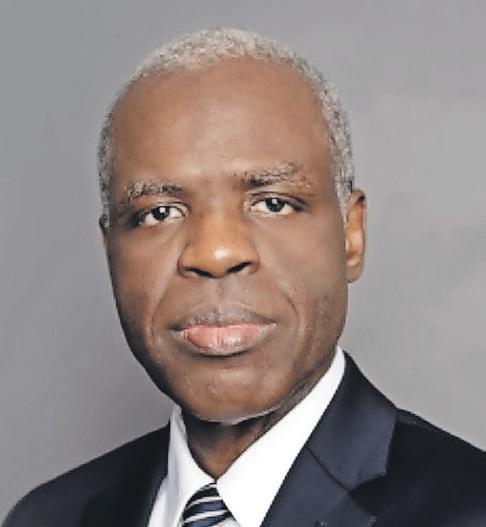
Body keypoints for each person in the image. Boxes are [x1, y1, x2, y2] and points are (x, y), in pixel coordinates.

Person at [3, 28, 486, 527]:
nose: (215, 254)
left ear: (351, 235)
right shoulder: (45, 518)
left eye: (272, 203)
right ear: (111, 253)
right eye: (159, 212)